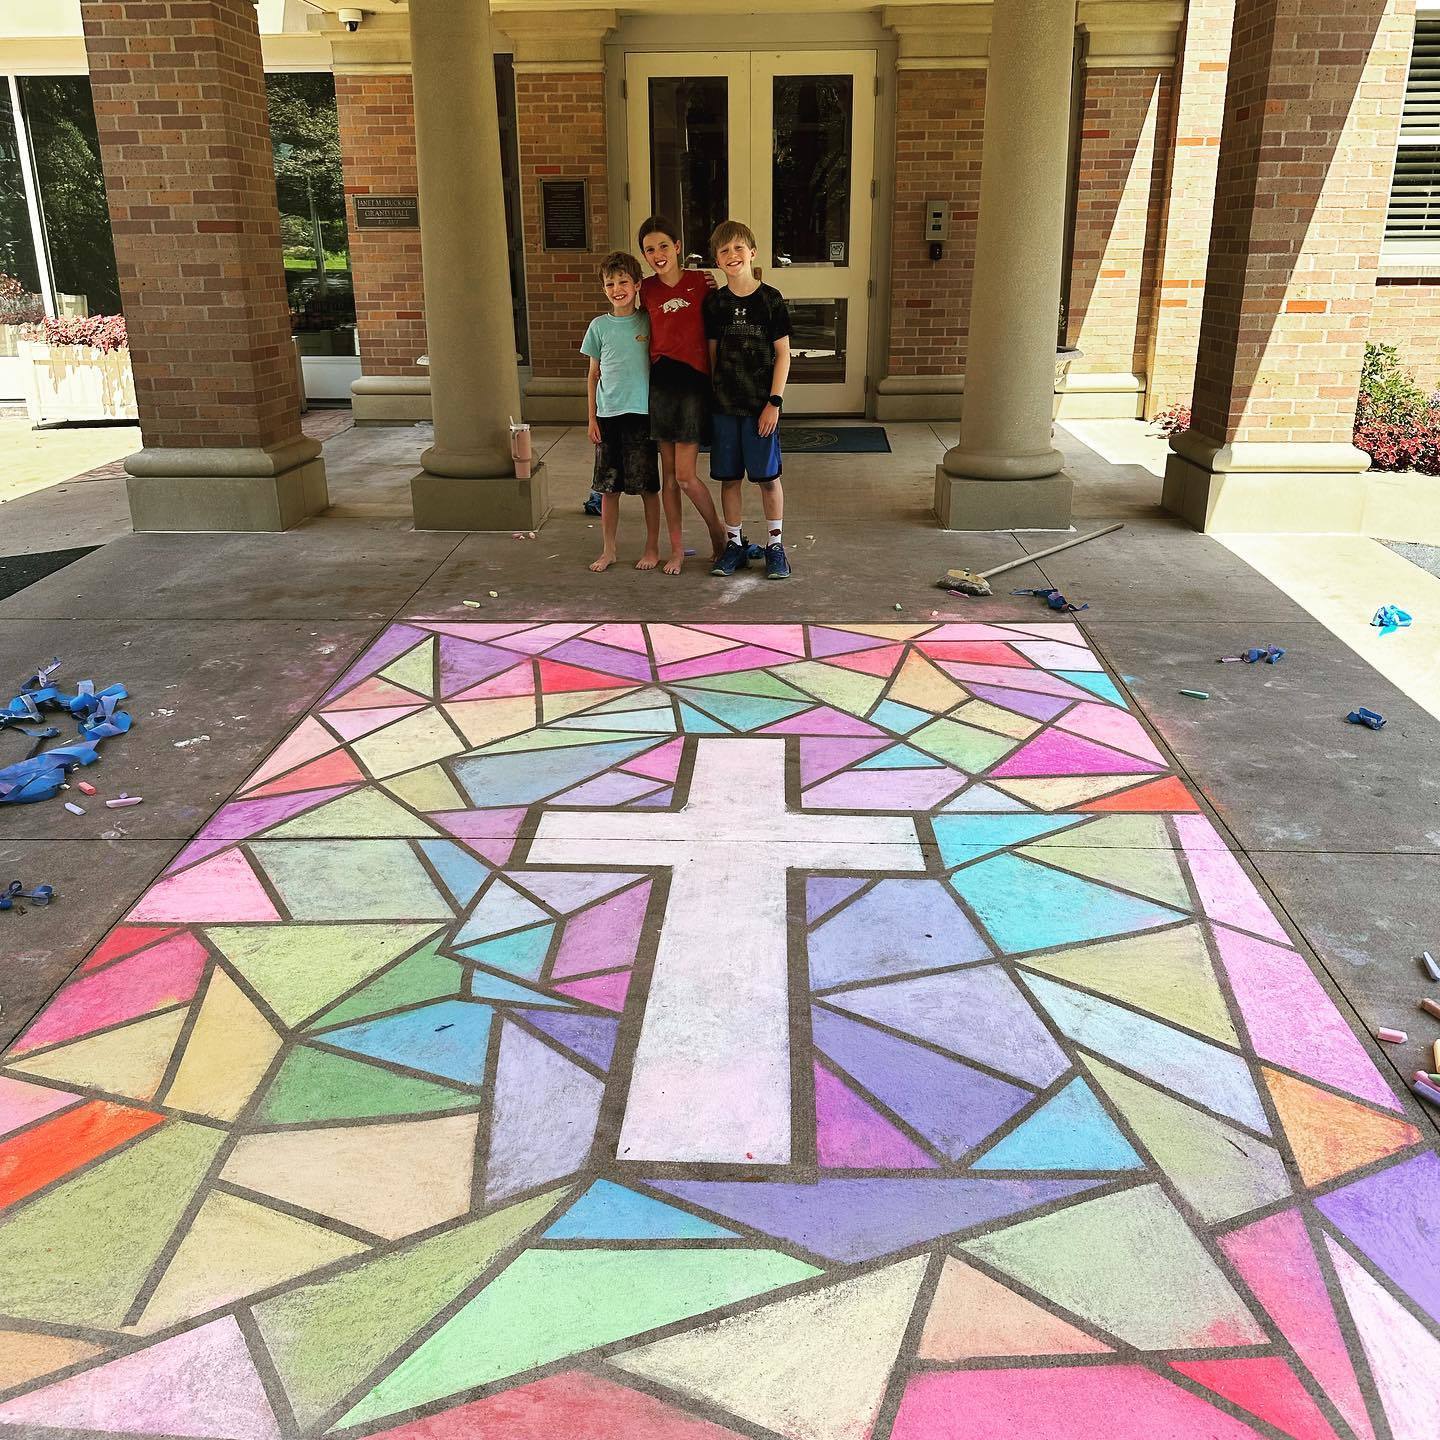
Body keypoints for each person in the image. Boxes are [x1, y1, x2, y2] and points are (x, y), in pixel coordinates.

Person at [637, 215, 728, 575]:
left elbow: (717, 333)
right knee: (669, 476)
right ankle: (676, 549)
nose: (657, 254)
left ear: (677, 247)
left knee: (687, 475)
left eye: (663, 246)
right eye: (649, 249)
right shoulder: (645, 290)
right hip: (661, 382)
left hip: (693, 382)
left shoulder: (702, 282)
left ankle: (718, 532)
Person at [703, 219, 792, 580]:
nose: (732, 255)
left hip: (760, 408)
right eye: (724, 251)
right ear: (717, 260)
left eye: (738, 247)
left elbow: (783, 354)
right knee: (729, 479)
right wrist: (713, 398)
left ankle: (775, 545)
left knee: (768, 478)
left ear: (752, 252)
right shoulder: (715, 303)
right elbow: (711, 356)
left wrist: (774, 402)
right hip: (725, 407)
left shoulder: (770, 300)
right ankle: (735, 545)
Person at [580, 251, 661, 572]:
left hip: (641, 416)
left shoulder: (648, 320)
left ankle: (652, 547)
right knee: (608, 488)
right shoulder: (599, 327)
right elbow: (592, 375)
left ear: (638, 284)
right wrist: (590, 418)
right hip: (608, 416)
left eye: (624, 281)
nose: (617, 288)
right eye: (610, 283)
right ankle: (609, 549)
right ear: (604, 289)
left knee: (647, 487)